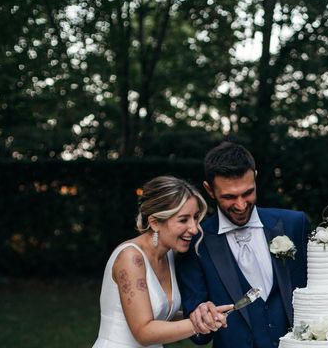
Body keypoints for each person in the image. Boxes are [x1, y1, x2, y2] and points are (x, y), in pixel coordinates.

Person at [176, 142, 311, 348]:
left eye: (247, 193)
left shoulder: (294, 224)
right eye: (229, 197)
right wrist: (202, 316)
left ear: (255, 177)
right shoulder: (196, 243)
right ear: (209, 190)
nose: (240, 205)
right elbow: (200, 336)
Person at [93, 176, 232, 348]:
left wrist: (202, 315)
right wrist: (197, 324)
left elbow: (162, 316)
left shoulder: (170, 256)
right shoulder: (131, 258)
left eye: (196, 217)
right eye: (183, 220)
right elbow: (143, 333)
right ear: (155, 222)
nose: (194, 228)